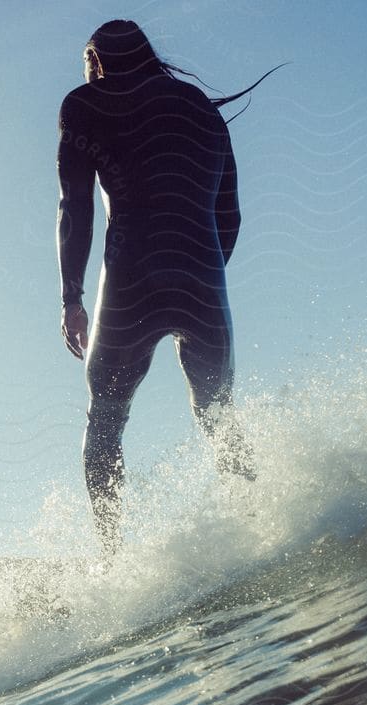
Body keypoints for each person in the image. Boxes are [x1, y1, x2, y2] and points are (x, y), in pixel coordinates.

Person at [56, 20, 275, 552]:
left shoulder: (85, 103)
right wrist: (202, 275)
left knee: (106, 420)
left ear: (97, 61)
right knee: (217, 412)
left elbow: (77, 208)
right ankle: (263, 529)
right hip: (204, 275)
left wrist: (72, 298)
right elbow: (231, 214)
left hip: (130, 275)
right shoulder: (200, 107)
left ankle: (111, 557)